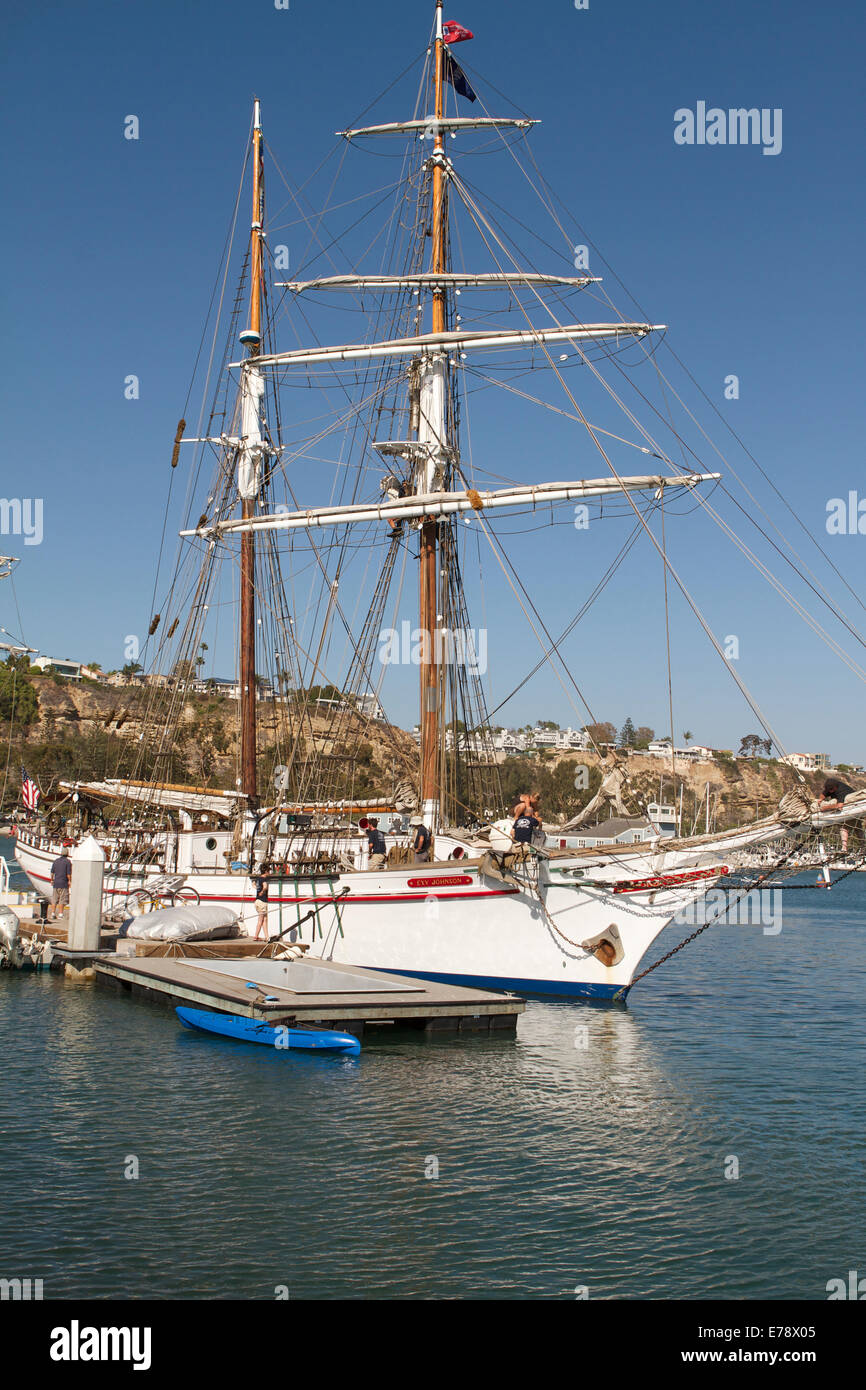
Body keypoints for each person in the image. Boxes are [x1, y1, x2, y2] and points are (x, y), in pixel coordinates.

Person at [817, 776, 856, 853]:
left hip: (850, 808)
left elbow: (839, 806)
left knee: (853, 828)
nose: (830, 791)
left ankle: (846, 848)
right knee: (843, 827)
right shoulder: (830, 787)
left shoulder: (841, 790)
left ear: (835, 787)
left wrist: (825, 808)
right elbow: (824, 794)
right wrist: (820, 799)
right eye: (829, 789)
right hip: (844, 809)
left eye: (831, 789)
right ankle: (844, 849)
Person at [48, 846, 72, 922]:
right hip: (63, 883)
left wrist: (52, 880)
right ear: (67, 854)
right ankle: (60, 914)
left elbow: (52, 872)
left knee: (54, 899)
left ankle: (52, 913)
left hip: (56, 883)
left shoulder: (56, 861)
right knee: (62, 899)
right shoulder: (68, 862)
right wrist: (70, 881)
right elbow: (68, 874)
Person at [252, 862, 271, 940]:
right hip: (262, 901)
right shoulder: (264, 879)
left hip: (257, 901)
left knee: (265, 919)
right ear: (266, 871)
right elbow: (265, 886)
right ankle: (256, 936)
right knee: (261, 920)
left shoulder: (258, 879)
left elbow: (253, 884)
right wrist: (262, 892)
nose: (269, 872)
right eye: (268, 871)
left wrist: (257, 889)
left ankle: (267, 937)